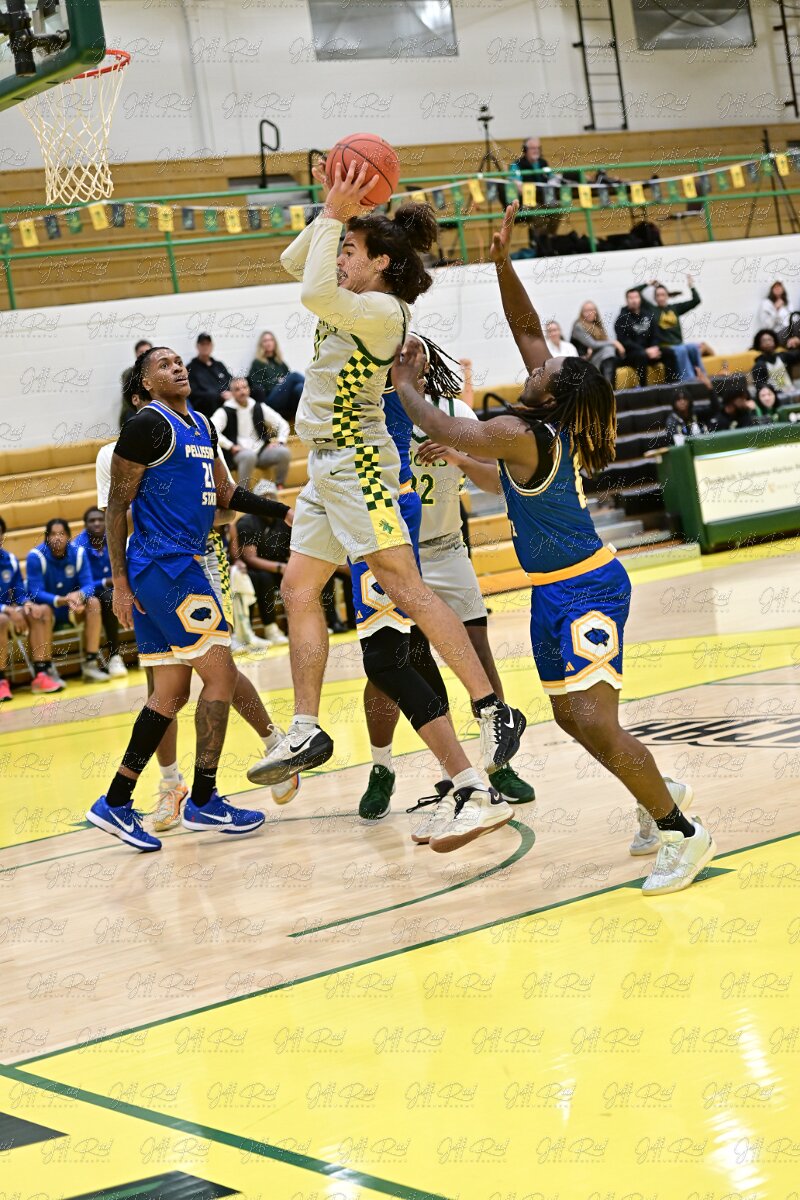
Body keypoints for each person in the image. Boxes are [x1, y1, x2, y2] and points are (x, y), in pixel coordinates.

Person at [391, 199, 716, 897]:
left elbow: (449, 427)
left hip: (587, 587)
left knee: (595, 717)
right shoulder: (540, 422)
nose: (535, 366)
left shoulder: (521, 431)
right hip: (553, 590)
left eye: (544, 370)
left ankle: (682, 832)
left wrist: (407, 386)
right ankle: (660, 793)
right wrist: (502, 263)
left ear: (552, 396)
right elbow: (525, 329)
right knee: (572, 717)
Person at [250, 160, 526, 852]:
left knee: (406, 589)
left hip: (360, 463)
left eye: (350, 250)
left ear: (380, 264)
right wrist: (334, 213)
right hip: (326, 464)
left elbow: (311, 286)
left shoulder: (382, 311)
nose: (339, 256)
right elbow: (296, 263)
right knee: (298, 588)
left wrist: (335, 215)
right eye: (342, 248)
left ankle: (492, 710)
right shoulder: (350, 291)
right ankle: (306, 728)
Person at [86, 345, 297, 852]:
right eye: (163, 364)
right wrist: (119, 583)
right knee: (221, 674)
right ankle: (203, 798)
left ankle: (115, 801)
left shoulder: (201, 424)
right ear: (145, 383)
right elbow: (115, 509)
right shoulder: (146, 425)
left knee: (170, 693)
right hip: (166, 566)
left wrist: (278, 510)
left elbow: (225, 495)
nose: (177, 366)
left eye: (179, 361)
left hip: (179, 565)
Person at [354, 336, 535, 824]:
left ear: (425, 362)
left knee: (478, 653)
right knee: (388, 666)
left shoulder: (455, 412)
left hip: (446, 548)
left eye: (411, 354)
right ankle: (382, 768)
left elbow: (496, 481)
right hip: (392, 553)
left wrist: (458, 456)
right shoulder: (368, 412)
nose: (401, 360)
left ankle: (498, 764)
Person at [25, 518, 110, 686]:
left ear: (69, 537)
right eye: (53, 534)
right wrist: (61, 600)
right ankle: (47, 669)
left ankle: (90, 664)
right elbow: (34, 592)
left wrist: (79, 595)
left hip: (73, 610)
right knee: (42, 610)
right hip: (49, 611)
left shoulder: (78, 553)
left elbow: (89, 586)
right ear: (47, 537)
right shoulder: (35, 556)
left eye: (62, 534)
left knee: (93, 602)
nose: (57, 538)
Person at [0, 515, 55, 700]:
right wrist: (6, 610)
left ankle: (41, 673)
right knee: (2, 620)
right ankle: (1, 681)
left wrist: (27, 603)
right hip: (4, 614)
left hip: (8, 611)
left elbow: (19, 592)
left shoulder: (9, 560)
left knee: (41, 611)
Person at [71, 507, 127, 677]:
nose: (96, 523)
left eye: (100, 519)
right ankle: (114, 656)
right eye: (92, 520)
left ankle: (151, 650)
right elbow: (81, 584)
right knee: (107, 598)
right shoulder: (78, 547)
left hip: (113, 590)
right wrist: (105, 582)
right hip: (87, 595)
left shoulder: (114, 539)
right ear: (85, 525)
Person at [211, 376, 291, 489]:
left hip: (261, 451)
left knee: (284, 452)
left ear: (249, 389)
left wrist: (280, 441)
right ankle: (243, 493)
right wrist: (230, 446)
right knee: (249, 456)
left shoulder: (258, 406)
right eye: (237, 389)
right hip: (238, 454)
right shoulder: (224, 411)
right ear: (231, 392)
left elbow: (282, 424)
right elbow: (211, 431)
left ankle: (279, 485)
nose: (242, 391)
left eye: (244, 387)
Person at [637, 278, 709, 385]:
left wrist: (691, 286)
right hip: (665, 346)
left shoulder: (675, 308)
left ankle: (703, 378)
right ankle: (689, 380)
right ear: (655, 298)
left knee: (693, 347)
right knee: (682, 350)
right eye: (658, 295)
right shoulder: (652, 310)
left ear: (667, 296)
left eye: (663, 295)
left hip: (679, 344)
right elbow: (636, 293)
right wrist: (647, 284)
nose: (661, 298)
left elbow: (696, 301)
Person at [248, 331, 305, 420]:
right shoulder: (257, 363)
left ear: (274, 343)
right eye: (265, 341)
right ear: (261, 344)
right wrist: (277, 381)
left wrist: (282, 382)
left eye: (271, 340)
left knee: (299, 387)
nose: (268, 343)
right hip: (271, 399)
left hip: (284, 396)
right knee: (294, 376)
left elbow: (288, 380)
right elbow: (256, 385)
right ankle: (316, 389)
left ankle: (307, 418)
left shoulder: (279, 362)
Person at [614, 288, 665, 386]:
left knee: (669, 353)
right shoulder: (621, 319)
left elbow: (656, 335)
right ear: (626, 300)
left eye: (636, 297)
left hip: (650, 351)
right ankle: (644, 388)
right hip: (631, 354)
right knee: (641, 355)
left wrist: (654, 348)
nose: (634, 300)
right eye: (631, 298)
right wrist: (645, 351)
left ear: (640, 299)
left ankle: (673, 386)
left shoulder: (648, 315)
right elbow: (624, 341)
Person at [570, 302, 622, 384]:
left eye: (591, 310)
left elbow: (601, 343)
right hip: (584, 359)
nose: (589, 313)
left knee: (610, 352)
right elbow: (593, 344)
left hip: (596, 356)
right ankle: (609, 387)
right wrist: (614, 343)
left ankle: (608, 386)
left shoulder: (597, 325)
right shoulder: (578, 326)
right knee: (609, 349)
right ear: (581, 313)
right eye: (586, 311)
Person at [187, 333, 233, 420]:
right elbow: (193, 392)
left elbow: (231, 381)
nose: (205, 347)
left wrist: (231, 392)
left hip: (227, 400)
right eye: (202, 344)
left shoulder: (219, 365)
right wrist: (219, 396)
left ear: (212, 346)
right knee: (211, 397)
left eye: (207, 344)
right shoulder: (191, 368)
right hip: (207, 405)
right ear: (197, 346)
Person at [751, 329, 800, 394]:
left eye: (770, 339)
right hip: (774, 396)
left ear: (774, 341)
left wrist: (797, 343)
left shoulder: (784, 356)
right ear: (759, 344)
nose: (768, 342)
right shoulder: (758, 366)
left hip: (791, 391)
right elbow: (759, 386)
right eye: (764, 341)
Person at [120, 339, 152, 427]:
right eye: (141, 352)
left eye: (147, 351)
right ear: (136, 354)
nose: (144, 354)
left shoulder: (157, 372)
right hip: (134, 409)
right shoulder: (128, 373)